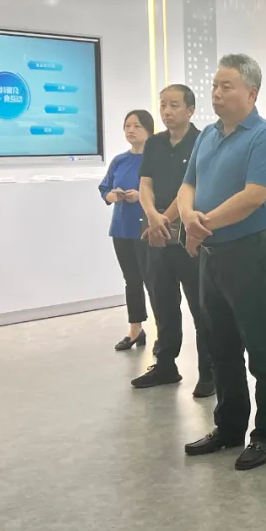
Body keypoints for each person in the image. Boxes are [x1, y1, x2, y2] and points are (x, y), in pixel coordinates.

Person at [176, 54, 266, 472]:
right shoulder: (207, 134)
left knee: (261, 348)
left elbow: (254, 196)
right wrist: (188, 217)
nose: (217, 94)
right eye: (215, 86)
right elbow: (188, 185)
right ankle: (229, 427)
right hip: (213, 255)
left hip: (250, 253)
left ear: (252, 93)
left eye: (227, 86)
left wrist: (201, 225)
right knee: (220, 345)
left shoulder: (265, 137)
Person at [131, 84, 215, 398]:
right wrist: (152, 215)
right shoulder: (154, 143)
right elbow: (145, 183)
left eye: (174, 105)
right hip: (155, 236)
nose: (167, 111)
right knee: (163, 303)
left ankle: (209, 371)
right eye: (163, 105)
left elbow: (192, 187)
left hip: (187, 236)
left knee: (201, 307)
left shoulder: (203, 141)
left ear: (190, 110)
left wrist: (163, 219)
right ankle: (165, 364)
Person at [99, 110, 155, 351]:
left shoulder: (155, 160)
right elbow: (104, 188)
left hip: (147, 229)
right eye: (127, 126)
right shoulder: (119, 160)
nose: (131, 130)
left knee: (154, 282)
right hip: (121, 229)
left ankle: (164, 332)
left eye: (137, 126)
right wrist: (112, 195)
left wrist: (140, 196)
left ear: (149, 130)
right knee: (131, 281)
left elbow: (166, 192)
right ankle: (135, 329)